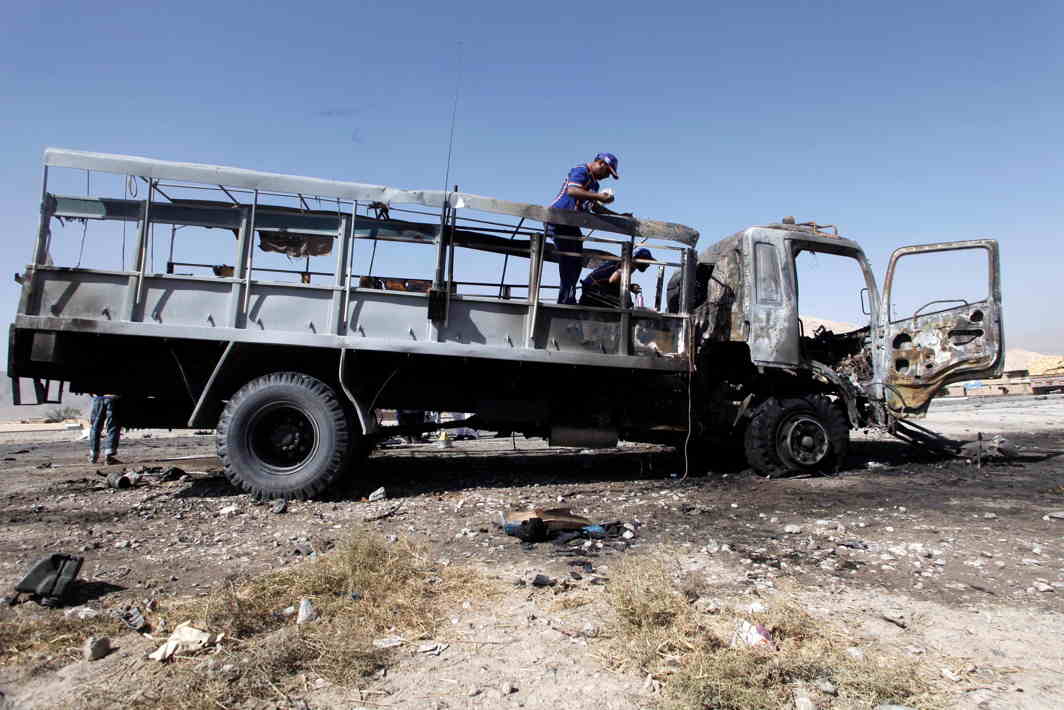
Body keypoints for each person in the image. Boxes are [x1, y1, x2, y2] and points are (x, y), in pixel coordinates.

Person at [544, 153, 627, 304]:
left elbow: (595, 207)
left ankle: (567, 297)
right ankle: (565, 300)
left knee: (576, 261)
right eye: (607, 172)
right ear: (601, 163)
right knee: (569, 260)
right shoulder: (580, 170)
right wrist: (600, 197)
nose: (607, 176)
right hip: (558, 220)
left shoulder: (594, 185)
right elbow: (572, 191)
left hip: (570, 224)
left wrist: (619, 216)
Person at [579, 247, 655, 309]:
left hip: (594, 287)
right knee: (623, 306)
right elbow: (613, 280)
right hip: (592, 289)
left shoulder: (629, 265)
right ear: (640, 259)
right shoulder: (626, 265)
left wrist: (629, 287)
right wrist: (630, 287)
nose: (648, 265)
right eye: (647, 262)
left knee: (625, 302)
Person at [88, 394, 121, 465]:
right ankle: (108, 456)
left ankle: (93, 456)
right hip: (113, 398)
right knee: (113, 426)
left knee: (95, 427)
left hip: (98, 398)